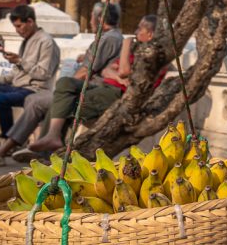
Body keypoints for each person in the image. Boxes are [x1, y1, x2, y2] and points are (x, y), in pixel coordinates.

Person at [0, 2, 123, 166]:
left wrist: (65, 86)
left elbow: (83, 72)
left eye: (92, 17)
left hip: (70, 88)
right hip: (73, 87)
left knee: (36, 101)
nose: (91, 21)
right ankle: (31, 145)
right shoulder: (109, 38)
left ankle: (7, 150)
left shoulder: (107, 39)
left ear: (99, 19)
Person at [12, 14, 160, 161]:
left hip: (117, 94)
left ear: (150, 34)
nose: (136, 32)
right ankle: (52, 137)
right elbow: (106, 70)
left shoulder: (153, 55)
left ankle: (49, 147)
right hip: (105, 85)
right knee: (65, 83)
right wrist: (117, 76)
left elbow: (123, 71)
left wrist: (126, 46)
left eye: (140, 28)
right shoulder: (137, 50)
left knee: (64, 102)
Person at [0, 5, 59, 152]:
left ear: (30, 22)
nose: (18, 30)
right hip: (18, 86)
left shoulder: (46, 42)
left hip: (36, 89)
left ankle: (11, 142)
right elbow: (15, 73)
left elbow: (43, 74)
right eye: (15, 27)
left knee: (2, 100)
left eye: (19, 26)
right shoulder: (27, 40)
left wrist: (20, 61)